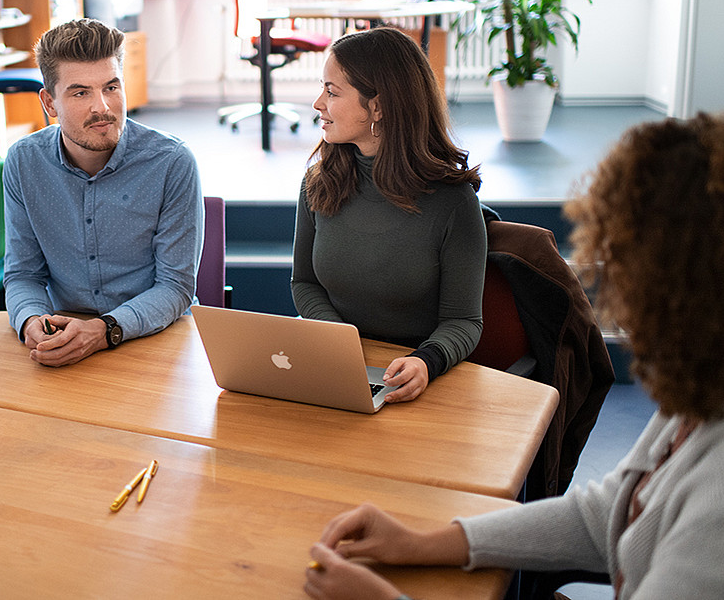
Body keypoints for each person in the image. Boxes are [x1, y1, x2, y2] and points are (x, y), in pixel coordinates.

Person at [303, 113, 724, 600]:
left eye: (630, 274)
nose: (619, 301)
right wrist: (423, 543)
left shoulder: (715, 500)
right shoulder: (699, 408)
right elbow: (605, 515)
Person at [291, 27, 485, 403]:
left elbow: (464, 321)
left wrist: (426, 362)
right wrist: (337, 340)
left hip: (410, 375)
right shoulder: (318, 182)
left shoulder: (453, 203)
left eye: (332, 92)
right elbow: (305, 283)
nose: (318, 103)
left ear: (377, 107)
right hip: (335, 367)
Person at [3, 18, 204, 366]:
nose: (103, 107)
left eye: (112, 87)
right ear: (50, 104)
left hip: (156, 339)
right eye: (81, 92)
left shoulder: (171, 162)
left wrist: (102, 331)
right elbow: (23, 274)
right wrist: (30, 320)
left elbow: (175, 286)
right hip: (64, 336)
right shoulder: (24, 162)